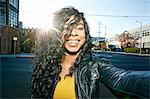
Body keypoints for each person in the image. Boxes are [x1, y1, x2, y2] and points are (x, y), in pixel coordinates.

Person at [31, 7, 150, 99]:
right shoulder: (45, 65)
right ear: (58, 34)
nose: (74, 33)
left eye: (79, 28)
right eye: (67, 27)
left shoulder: (94, 65)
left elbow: (122, 78)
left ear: (85, 34)